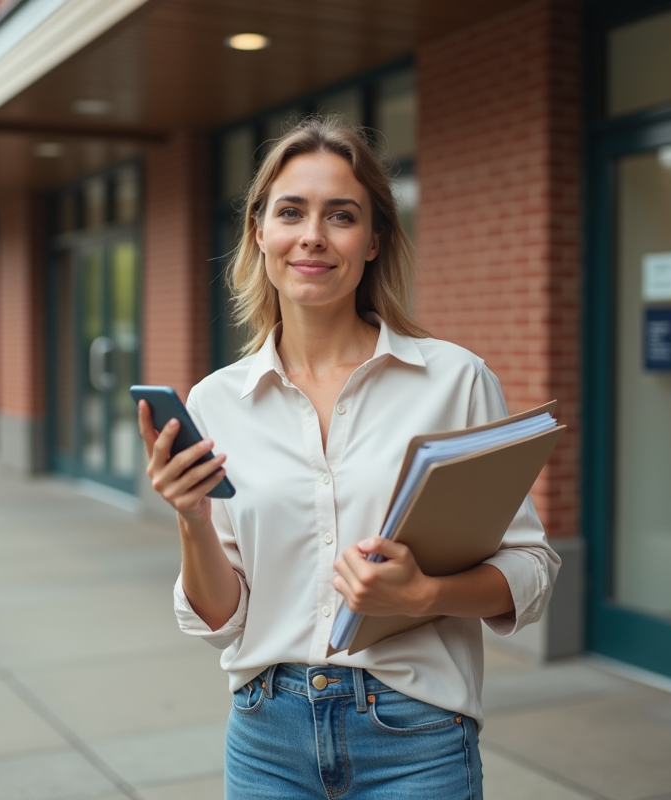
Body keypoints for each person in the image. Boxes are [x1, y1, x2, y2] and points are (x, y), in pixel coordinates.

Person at [137, 116, 560, 799]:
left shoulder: (454, 380)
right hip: (266, 738)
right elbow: (222, 619)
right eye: (290, 212)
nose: (313, 235)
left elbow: (531, 569)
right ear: (259, 232)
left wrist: (426, 595)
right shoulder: (218, 400)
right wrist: (190, 517)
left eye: (341, 215)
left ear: (374, 240)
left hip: (416, 737)